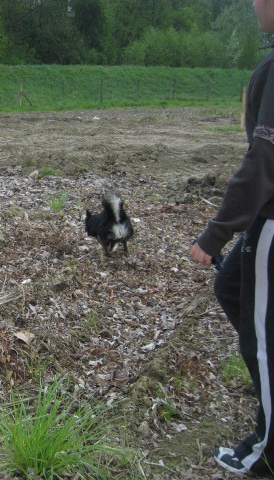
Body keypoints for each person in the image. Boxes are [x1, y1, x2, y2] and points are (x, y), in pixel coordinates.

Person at [190, 0, 274, 474]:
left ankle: (268, 452)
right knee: (231, 286)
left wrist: (216, 233)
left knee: (262, 339)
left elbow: (264, 160)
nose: (254, 3)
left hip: (271, 224)